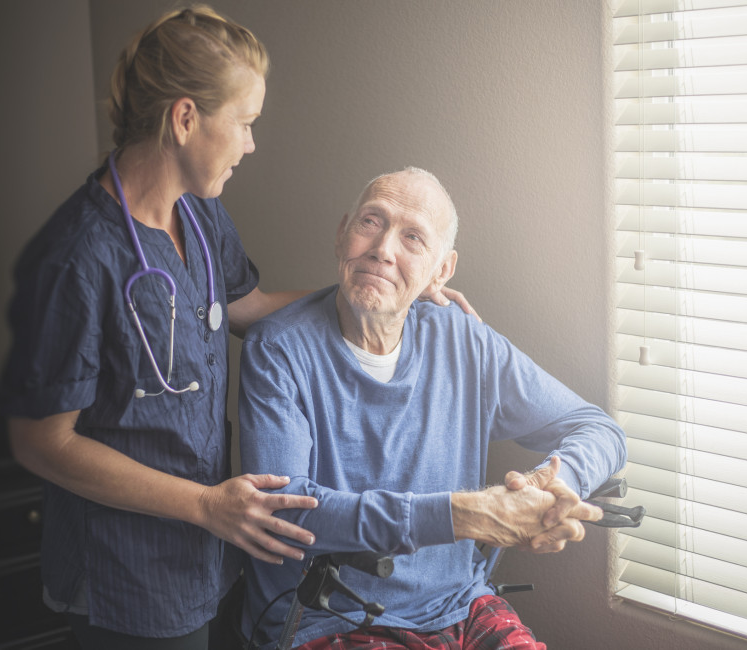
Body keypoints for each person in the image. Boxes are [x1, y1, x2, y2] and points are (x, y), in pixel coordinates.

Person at [0, 7, 472, 649]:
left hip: (210, 554)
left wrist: (390, 293)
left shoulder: (198, 216)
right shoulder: (79, 257)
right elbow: (39, 443)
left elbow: (248, 309)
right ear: (186, 118)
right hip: (124, 571)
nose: (251, 143)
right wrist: (203, 505)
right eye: (245, 123)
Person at [238, 167, 628, 649]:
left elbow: (597, 429)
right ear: (342, 235)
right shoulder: (277, 350)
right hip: (330, 618)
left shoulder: (466, 343)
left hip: (459, 604)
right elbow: (286, 514)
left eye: (413, 238)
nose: (383, 248)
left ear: (441, 270)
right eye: (370, 221)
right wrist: (466, 515)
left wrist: (557, 480)